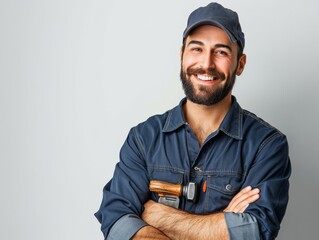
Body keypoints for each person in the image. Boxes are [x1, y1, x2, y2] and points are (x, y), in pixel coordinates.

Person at [95, 2, 291, 239]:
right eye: (197, 49)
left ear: (240, 64)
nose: (206, 64)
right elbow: (116, 221)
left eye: (221, 52)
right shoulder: (143, 139)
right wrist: (222, 226)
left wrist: (158, 216)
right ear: (182, 55)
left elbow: (256, 230)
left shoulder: (267, 145)